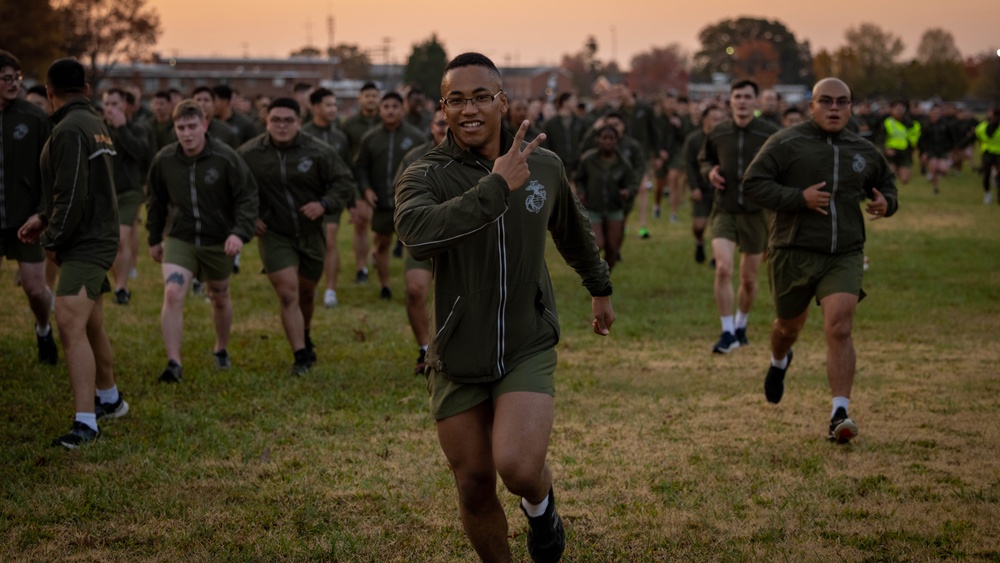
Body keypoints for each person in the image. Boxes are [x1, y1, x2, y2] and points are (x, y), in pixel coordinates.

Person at [395, 52, 615, 563]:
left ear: (503, 102)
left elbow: (575, 232)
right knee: (473, 482)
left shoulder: (545, 165)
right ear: (443, 108)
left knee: (517, 467)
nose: (469, 109)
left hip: (525, 340)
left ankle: (541, 507)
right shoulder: (424, 172)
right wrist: (496, 185)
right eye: (456, 100)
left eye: (480, 97)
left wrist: (599, 286)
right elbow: (416, 233)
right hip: (457, 353)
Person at [743, 77, 898, 444]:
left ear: (850, 107)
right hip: (792, 251)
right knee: (787, 327)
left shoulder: (863, 149)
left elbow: (887, 184)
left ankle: (839, 413)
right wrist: (799, 198)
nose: (834, 108)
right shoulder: (786, 142)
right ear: (811, 105)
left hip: (844, 252)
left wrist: (887, 203)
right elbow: (753, 183)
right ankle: (780, 360)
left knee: (840, 327)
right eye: (825, 101)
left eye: (842, 102)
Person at [18, 58, 129, 448]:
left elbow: (74, 193)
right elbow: (74, 188)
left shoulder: (68, 128)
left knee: (68, 324)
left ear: (48, 92)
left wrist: (53, 238)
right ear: (85, 88)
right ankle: (111, 400)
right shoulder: (94, 123)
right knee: (92, 322)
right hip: (95, 236)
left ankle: (86, 423)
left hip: (85, 242)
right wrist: (44, 216)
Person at [238, 98, 355, 375]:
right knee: (288, 292)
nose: (281, 126)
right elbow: (231, 188)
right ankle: (300, 355)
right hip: (274, 233)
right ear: (266, 122)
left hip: (311, 232)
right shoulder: (249, 153)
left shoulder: (318, 151)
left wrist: (324, 204)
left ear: (299, 123)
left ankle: (305, 332)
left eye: (288, 120)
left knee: (306, 293)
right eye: (275, 120)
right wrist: (248, 218)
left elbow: (344, 181)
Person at [146, 100, 258, 383]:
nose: (186, 133)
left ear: (205, 125)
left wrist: (238, 232)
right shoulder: (165, 160)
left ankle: (221, 348)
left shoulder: (226, 157)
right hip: (180, 237)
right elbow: (156, 202)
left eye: (192, 126)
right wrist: (154, 238)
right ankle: (174, 362)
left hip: (218, 239)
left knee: (219, 295)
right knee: (173, 292)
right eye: (180, 127)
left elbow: (246, 197)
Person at [699, 79, 779, 354]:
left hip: (757, 213)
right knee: (723, 269)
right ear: (730, 101)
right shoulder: (719, 132)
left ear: (756, 102)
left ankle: (741, 324)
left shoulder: (769, 133)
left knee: (748, 278)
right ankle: (727, 332)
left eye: (747, 97)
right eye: (737, 96)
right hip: (725, 209)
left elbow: (783, 165)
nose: (742, 101)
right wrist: (709, 171)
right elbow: (704, 159)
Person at [1, 50, 58, 364]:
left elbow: (49, 172)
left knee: (36, 290)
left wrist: (42, 212)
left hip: (25, 218)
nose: (14, 84)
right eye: (6, 78)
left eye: (16, 78)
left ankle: (43, 327)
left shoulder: (33, 118)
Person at [354, 91, 426, 300]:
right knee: (383, 244)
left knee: (413, 246)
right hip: (382, 203)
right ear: (380, 110)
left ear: (402, 109)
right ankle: (385, 286)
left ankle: (415, 284)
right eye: (386, 107)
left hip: (411, 203)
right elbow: (360, 167)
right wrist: (366, 189)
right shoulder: (370, 138)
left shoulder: (415, 137)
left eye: (395, 106)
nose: (391, 111)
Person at [393, 109, 448, 374]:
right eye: (441, 123)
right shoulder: (415, 157)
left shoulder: (478, 154)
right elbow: (399, 194)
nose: (446, 128)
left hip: (464, 237)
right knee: (416, 291)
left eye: (451, 123)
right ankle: (425, 350)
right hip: (424, 237)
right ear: (431, 126)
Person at [302, 87, 356, 308]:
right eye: (328, 105)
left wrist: (351, 203)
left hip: (332, 199)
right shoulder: (303, 134)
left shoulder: (340, 137)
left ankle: (330, 290)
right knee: (309, 246)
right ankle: (310, 286)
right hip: (306, 199)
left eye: (335, 105)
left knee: (330, 242)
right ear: (315, 107)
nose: (333, 109)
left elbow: (346, 170)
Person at [102, 87, 151, 305]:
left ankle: (121, 287)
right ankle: (118, 280)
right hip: (105, 193)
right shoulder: (99, 129)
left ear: (126, 106)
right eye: (107, 104)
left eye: (115, 104)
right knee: (112, 242)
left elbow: (141, 153)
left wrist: (122, 128)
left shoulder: (138, 128)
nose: (111, 109)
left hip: (130, 192)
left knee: (121, 239)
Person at [573, 125, 638, 270]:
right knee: (598, 243)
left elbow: (633, 183)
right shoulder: (588, 159)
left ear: (617, 141)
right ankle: (592, 272)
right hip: (593, 207)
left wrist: (628, 191)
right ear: (598, 140)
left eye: (611, 138)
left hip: (614, 208)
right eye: (604, 138)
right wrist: (581, 191)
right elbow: (579, 178)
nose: (608, 141)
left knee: (613, 247)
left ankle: (606, 278)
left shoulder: (623, 163)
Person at [341, 81, 382, 284]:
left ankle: (376, 251)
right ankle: (361, 268)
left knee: (382, 226)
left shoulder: (386, 121)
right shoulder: (349, 125)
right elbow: (345, 155)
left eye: (374, 95)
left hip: (382, 179)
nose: (371, 99)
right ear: (360, 99)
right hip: (358, 180)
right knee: (361, 223)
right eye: (367, 96)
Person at [682, 104, 725, 264]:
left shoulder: (725, 138)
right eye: (714, 119)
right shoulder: (693, 140)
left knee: (718, 224)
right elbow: (689, 165)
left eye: (721, 119)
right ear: (705, 120)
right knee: (699, 225)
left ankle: (716, 256)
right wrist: (694, 188)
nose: (718, 122)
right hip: (701, 187)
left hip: (720, 188)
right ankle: (699, 242)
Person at [541, 92, 587, 177]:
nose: (576, 104)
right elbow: (545, 145)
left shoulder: (580, 122)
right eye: (573, 101)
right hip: (557, 167)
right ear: (565, 103)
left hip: (576, 168)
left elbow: (584, 141)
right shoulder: (551, 124)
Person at [918, 104, 957, 195]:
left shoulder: (946, 125)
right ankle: (935, 187)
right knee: (934, 167)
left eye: (938, 113)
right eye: (935, 113)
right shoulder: (926, 125)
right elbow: (921, 140)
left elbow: (952, 138)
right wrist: (923, 152)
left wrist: (952, 149)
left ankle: (932, 176)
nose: (937, 115)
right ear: (930, 114)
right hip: (931, 150)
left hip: (943, 150)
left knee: (943, 169)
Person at [976, 108, 1000, 205]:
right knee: (986, 174)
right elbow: (974, 137)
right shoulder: (982, 126)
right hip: (987, 153)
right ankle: (987, 193)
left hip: (999, 153)